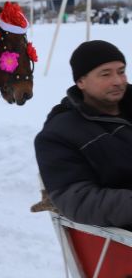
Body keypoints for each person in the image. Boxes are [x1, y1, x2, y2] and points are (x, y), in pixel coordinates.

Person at [35, 40, 132, 227]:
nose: (118, 81)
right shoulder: (59, 134)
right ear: (81, 81)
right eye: (105, 74)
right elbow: (79, 199)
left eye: (121, 72)